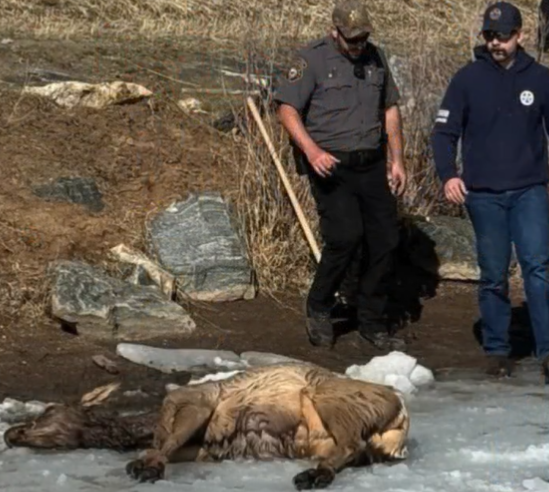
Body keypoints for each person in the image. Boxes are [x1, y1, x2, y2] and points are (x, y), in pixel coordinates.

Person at [273, 0, 407, 351]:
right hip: (331, 164)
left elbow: (390, 108)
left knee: (385, 240)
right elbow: (287, 110)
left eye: (363, 38)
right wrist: (312, 151)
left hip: (371, 162)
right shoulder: (312, 59)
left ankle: (371, 319)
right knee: (346, 236)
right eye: (351, 40)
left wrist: (397, 159)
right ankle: (319, 306)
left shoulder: (376, 58)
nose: (358, 45)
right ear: (334, 32)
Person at [431, 1, 549, 382]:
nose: (496, 42)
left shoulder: (540, 79)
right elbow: (444, 132)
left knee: (538, 267)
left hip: (530, 189)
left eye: (504, 36)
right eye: (490, 35)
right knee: (493, 273)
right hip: (483, 193)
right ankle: (498, 350)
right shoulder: (467, 79)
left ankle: (546, 349)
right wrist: (448, 174)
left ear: (520, 36)